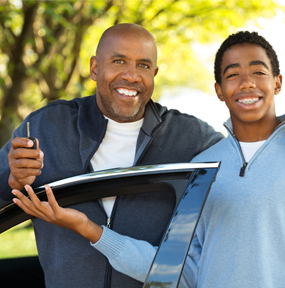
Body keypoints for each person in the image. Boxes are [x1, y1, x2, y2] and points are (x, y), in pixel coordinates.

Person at [0, 23, 223, 287]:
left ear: (155, 72)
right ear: (95, 68)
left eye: (143, 65)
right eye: (119, 61)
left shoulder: (193, 136)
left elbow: (243, 187)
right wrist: (12, 181)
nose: (131, 76)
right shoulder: (46, 126)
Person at [184, 31, 285, 287]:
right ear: (219, 90)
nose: (247, 83)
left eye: (258, 72)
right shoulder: (200, 167)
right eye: (232, 75)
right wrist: (96, 234)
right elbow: (184, 266)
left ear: (277, 82)